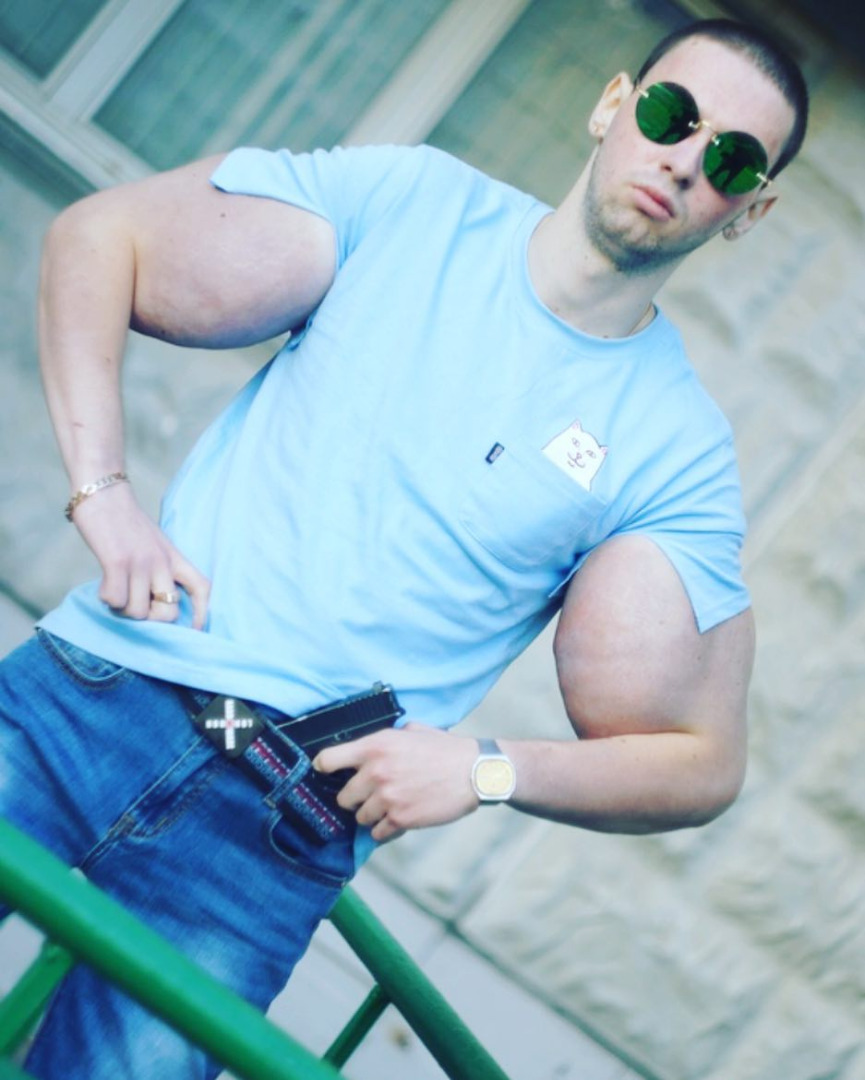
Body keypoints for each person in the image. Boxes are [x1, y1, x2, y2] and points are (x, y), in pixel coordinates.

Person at [0, 17, 807, 1080]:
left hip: (269, 835)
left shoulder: (675, 447)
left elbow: (701, 762)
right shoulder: (415, 204)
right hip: (93, 697)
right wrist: (103, 495)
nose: (686, 160)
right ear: (614, 105)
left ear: (749, 209)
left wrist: (486, 769)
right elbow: (101, 239)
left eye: (731, 159)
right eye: (670, 115)